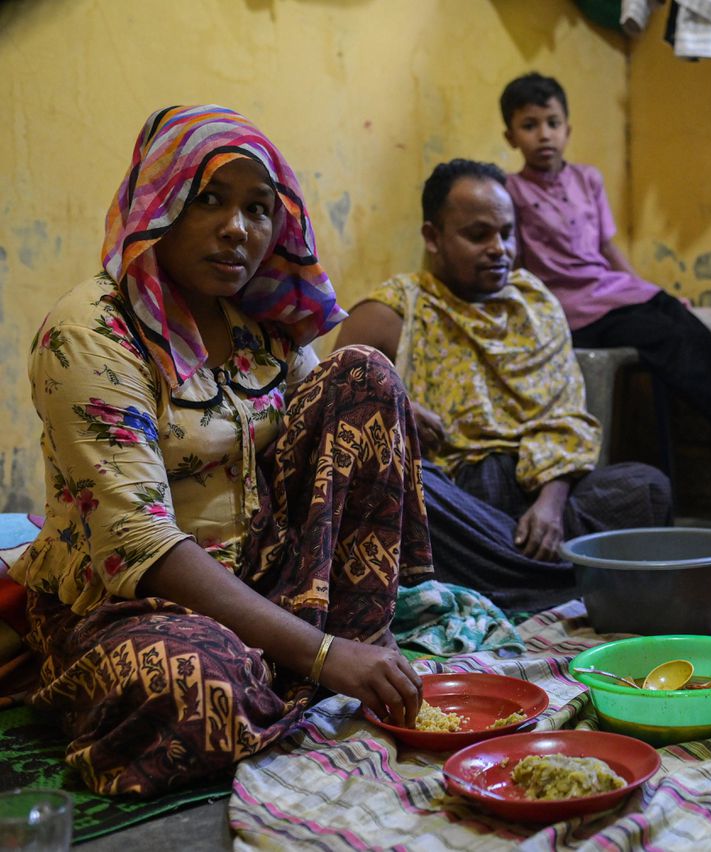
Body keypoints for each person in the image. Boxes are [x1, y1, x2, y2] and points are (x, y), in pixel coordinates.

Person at [10, 105, 432, 797]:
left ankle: (336, 651)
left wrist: (395, 414)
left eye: (259, 208)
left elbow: (324, 434)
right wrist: (324, 654)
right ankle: (297, 670)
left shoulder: (260, 327)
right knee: (195, 688)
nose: (239, 229)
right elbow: (138, 542)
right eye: (209, 199)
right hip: (127, 605)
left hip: (265, 579)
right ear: (157, 203)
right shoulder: (93, 332)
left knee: (365, 375)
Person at [335, 159, 672, 612]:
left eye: (507, 233)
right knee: (411, 489)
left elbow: (567, 418)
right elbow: (332, 414)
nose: (499, 249)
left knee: (648, 488)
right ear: (433, 237)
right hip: (457, 499)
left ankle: (514, 581)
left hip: (539, 492)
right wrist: (393, 408)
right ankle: (575, 580)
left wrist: (551, 505)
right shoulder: (388, 314)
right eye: (478, 235)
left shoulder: (535, 305)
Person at [499, 72, 711, 485]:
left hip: (609, 292)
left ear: (568, 128)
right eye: (529, 126)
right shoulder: (509, 191)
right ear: (511, 136)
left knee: (679, 318)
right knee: (667, 337)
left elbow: (607, 249)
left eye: (552, 123)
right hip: (572, 309)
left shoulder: (588, 179)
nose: (543, 135)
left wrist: (642, 289)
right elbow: (514, 264)